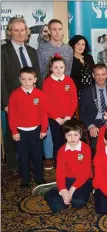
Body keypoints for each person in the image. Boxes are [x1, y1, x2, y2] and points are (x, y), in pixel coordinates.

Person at [1, 17, 42, 176]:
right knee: (13, 133)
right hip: (13, 100)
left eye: (22, 30)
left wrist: (40, 99)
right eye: (15, 30)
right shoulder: (3, 51)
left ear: (27, 32)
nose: (19, 33)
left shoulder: (32, 51)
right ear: (10, 32)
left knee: (32, 132)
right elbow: (1, 78)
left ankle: (31, 163)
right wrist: (5, 102)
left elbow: (37, 74)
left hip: (33, 100)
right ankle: (12, 166)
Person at [34, 119, 92, 213]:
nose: (72, 138)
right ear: (65, 135)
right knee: (58, 206)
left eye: (76, 135)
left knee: (78, 203)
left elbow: (86, 173)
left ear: (80, 135)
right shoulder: (61, 151)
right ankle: (49, 191)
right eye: (69, 135)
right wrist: (63, 190)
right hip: (68, 178)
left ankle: (61, 189)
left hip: (83, 179)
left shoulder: (86, 149)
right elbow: (60, 172)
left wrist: (72, 189)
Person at [37, 19, 73, 170]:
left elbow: (68, 70)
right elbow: (40, 70)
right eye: (54, 29)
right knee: (50, 131)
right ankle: (50, 157)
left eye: (59, 29)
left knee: (65, 134)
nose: (57, 32)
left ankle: (65, 160)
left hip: (63, 91)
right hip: (48, 92)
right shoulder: (42, 49)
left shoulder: (68, 50)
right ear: (49, 31)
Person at [8, 67, 48, 187]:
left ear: (35, 80)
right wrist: (14, 131)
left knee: (37, 156)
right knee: (23, 157)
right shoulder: (15, 95)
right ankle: (25, 179)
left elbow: (43, 113)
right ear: (20, 80)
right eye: (24, 79)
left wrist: (44, 129)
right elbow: (12, 115)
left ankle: (39, 177)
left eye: (30, 79)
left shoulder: (40, 94)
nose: (26, 82)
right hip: (21, 132)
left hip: (36, 131)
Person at [79, 64, 107, 154]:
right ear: (93, 76)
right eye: (97, 74)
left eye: (103, 74)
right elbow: (82, 113)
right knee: (96, 144)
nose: (100, 77)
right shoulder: (86, 92)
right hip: (95, 123)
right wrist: (90, 126)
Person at [42, 56, 78, 160]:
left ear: (65, 68)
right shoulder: (47, 82)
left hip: (67, 117)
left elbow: (74, 99)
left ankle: (69, 161)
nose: (59, 70)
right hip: (54, 119)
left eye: (61, 67)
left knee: (69, 140)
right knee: (57, 141)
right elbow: (46, 102)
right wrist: (56, 117)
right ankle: (59, 163)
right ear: (51, 68)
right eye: (56, 67)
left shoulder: (69, 80)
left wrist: (68, 116)